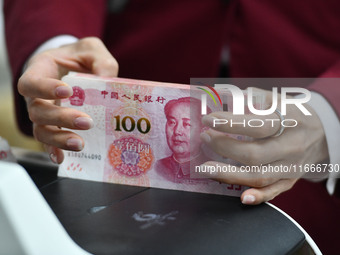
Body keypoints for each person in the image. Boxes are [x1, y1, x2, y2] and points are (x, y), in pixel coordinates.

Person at [4, 1, 340, 253]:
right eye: (175, 123)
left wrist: (329, 115)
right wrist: (57, 47)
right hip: (112, 180)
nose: (180, 131)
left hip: (311, 180)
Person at [155, 97, 210, 183]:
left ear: (204, 131)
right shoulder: (158, 166)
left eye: (187, 124)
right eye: (172, 122)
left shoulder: (214, 172)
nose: (177, 131)